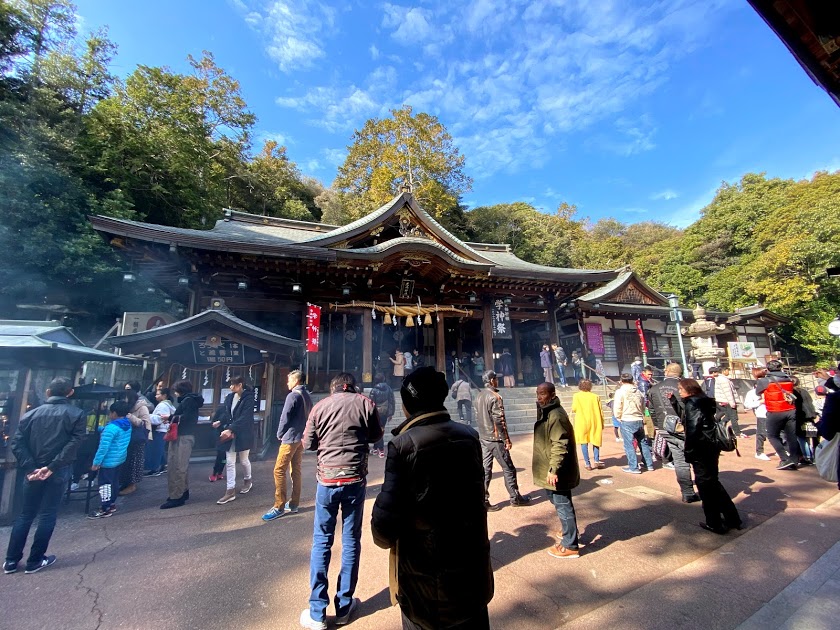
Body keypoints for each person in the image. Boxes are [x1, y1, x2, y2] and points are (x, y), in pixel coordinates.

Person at [372, 367, 493, 629]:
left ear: (409, 404)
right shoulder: (469, 436)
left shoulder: (403, 446)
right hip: (473, 572)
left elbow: (383, 528)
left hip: (425, 585)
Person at [299, 373, 383, 630]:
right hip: (355, 479)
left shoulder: (320, 406)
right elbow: (376, 435)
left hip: (327, 480)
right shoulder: (366, 403)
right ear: (353, 386)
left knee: (322, 541)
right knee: (350, 541)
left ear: (333, 387)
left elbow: (308, 443)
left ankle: (317, 612)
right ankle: (344, 606)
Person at [4, 377, 85, 575]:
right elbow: (74, 443)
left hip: (33, 471)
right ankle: (35, 560)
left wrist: (31, 467)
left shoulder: (30, 414)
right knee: (48, 514)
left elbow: (17, 443)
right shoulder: (76, 414)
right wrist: (52, 466)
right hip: (58, 470)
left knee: (25, 514)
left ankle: (11, 560)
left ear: (48, 392)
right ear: (70, 393)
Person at [678, 378, 742, 534]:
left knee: (705, 486)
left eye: (681, 389)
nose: (679, 392)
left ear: (689, 390)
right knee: (713, 482)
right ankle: (732, 518)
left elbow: (692, 428)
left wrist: (689, 450)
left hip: (700, 447)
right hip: (712, 445)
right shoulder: (704, 401)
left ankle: (714, 522)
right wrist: (674, 401)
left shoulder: (692, 404)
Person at [533, 382, 581, 558]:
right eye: (538, 394)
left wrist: (553, 469)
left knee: (562, 503)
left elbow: (560, 444)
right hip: (549, 465)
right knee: (556, 500)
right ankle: (570, 530)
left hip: (558, 468)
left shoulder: (556, 415)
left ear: (553, 395)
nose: (539, 398)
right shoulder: (547, 411)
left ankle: (570, 545)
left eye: (543, 394)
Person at [475, 370, 530, 511]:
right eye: (496, 379)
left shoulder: (479, 396)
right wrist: (506, 439)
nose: (497, 381)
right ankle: (515, 497)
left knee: (486, 469)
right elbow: (500, 420)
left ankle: (482, 499)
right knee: (508, 468)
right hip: (495, 438)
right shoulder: (495, 397)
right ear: (491, 380)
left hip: (484, 437)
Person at [263, 370, 313, 521]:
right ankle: (294, 503)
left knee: (279, 470)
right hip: (300, 437)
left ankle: (279, 505)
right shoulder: (306, 395)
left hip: (290, 437)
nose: (287, 383)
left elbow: (285, 417)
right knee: (295, 470)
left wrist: (279, 433)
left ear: (296, 381)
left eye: (289, 380)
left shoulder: (292, 396)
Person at [648, 363, 700, 503]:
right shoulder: (683, 387)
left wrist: (657, 426)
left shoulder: (654, 388)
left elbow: (652, 410)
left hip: (665, 427)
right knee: (697, 460)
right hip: (685, 428)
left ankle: (687, 492)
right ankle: (704, 491)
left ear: (667, 371)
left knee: (680, 461)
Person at [160, 380, 204, 509]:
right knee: (178, 465)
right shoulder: (190, 400)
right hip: (184, 435)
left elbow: (187, 418)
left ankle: (177, 496)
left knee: (177, 466)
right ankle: (182, 492)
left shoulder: (188, 401)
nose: (175, 393)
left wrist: (170, 418)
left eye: (176, 390)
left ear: (181, 390)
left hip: (183, 436)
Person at [88, 400, 132, 519]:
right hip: (120, 458)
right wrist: (102, 429)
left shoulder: (111, 428)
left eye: (110, 412)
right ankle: (111, 503)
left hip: (108, 461)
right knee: (114, 482)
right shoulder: (127, 424)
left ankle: (105, 508)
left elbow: (103, 448)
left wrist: (96, 463)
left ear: (114, 413)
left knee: (105, 485)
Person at [755, 359, 802, 471]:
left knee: (772, 435)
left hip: (775, 411)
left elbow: (758, 392)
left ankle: (785, 459)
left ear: (768, 369)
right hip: (790, 410)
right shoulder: (788, 378)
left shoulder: (765, 381)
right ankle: (794, 459)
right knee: (791, 436)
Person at [216, 376, 255, 505]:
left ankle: (248, 480)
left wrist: (230, 428)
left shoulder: (248, 398)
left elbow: (245, 417)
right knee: (230, 462)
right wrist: (220, 421)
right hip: (231, 433)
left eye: (233, 384)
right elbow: (227, 413)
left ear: (240, 385)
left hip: (243, 433)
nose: (231, 387)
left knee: (244, 460)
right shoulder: (230, 397)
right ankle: (230, 490)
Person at [615, 373, 653, 474]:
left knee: (629, 444)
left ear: (621, 381)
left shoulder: (620, 392)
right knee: (643, 442)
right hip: (638, 418)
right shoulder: (638, 391)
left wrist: (618, 417)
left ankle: (633, 467)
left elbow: (617, 406)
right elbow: (643, 405)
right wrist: (641, 414)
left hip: (627, 418)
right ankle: (649, 464)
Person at [119, 388, 151, 496]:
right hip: (127, 438)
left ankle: (132, 485)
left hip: (138, 439)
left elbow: (144, 423)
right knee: (126, 461)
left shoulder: (142, 407)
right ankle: (125, 483)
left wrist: (129, 416)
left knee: (134, 462)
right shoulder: (127, 407)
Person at [570, 379, 604, 470]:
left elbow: (574, 408)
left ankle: (587, 463)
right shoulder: (595, 396)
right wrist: (602, 423)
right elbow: (601, 411)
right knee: (595, 440)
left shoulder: (576, 396)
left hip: (581, 421)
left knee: (583, 442)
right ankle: (596, 460)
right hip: (594, 420)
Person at [743, 367, 773, 461]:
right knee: (761, 433)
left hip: (773, 412)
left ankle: (782, 449)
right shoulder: (752, 393)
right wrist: (760, 402)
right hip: (762, 414)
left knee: (779, 432)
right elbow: (747, 404)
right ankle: (759, 452)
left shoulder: (771, 387)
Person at [144, 386, 175, 477]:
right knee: (160, 449)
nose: (156, 396)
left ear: (164, 395)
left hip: (160, 429)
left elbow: (159, 419)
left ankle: (155, 469)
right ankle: (162, 465)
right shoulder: (168, 405)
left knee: (156, 450)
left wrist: (147, 416)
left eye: (158, 394)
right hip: (163, 429)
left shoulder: (162, 405)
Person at [709, 366, 745, 439]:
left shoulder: (721, 379)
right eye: (727, 370)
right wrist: (732, 403)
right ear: (724, 371)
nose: (728, 372)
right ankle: (737, 433)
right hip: (727, 401)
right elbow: (728, 392)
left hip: (723, 400)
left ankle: (719, 427)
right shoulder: (723, 380)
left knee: (728, 416)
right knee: (733, 417)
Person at [368, 372, 394, 458]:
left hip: (376, 413)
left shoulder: (373, 390)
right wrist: (390, 413)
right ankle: (376, 448)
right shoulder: (389, 389)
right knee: (381, 429)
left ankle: (381, 449)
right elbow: (391, 401)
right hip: (385, 412)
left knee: (377, 430)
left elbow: (371, 403)